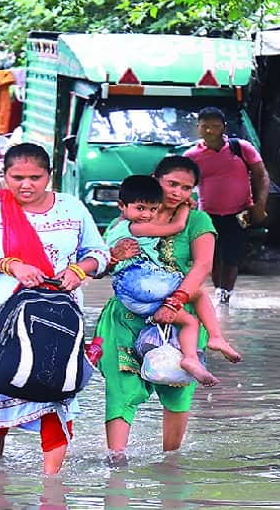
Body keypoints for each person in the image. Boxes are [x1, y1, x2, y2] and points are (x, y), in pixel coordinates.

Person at [0, 142, 110, 474]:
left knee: (55, 390)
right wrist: (10, 265)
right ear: (5, 176)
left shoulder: (72, 208)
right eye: (17, 178)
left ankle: (52, 483)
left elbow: (99, 253)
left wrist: (79, 270)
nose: (26, 185)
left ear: (49, 176)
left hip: (56, 319)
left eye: (35, 177)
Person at [95, 156, 223, 456]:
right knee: (121, 391)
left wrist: (175, 302)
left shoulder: (197, 221)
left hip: (178, 313)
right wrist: (113, 257)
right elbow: (99, 268)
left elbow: (203, 266)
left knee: (176, 391)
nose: (178, 192)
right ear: (156, 179)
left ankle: (170, 465)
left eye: (187, 188)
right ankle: (116, 463)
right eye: (172, 184)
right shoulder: (125, 220)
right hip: (126, 319)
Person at [104, 175, 242, 386]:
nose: (146, 215)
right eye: (172, 184)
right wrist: (184, 208)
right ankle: (215, 337)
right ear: (122, 205)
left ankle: (190, 359)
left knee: (189, 321)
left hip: (133, 298)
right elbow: (177, 227)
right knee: (195, 288)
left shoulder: (118, 225)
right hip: (143, 283)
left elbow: (97, 265)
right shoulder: (135, 227)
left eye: (186, 188)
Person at [183, 106, 270, 304]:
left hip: (241, 213)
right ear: (198, 128)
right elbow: (182, 183)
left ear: (223, 127)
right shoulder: (191, 156)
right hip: (207, 215)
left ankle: (226, 296)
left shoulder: (241, 148)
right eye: (205, 126)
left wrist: (260, 204)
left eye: (214, 126)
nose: (209, 131)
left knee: (233, 256)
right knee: (212, 258)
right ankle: (219, 293)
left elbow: (262, 176)